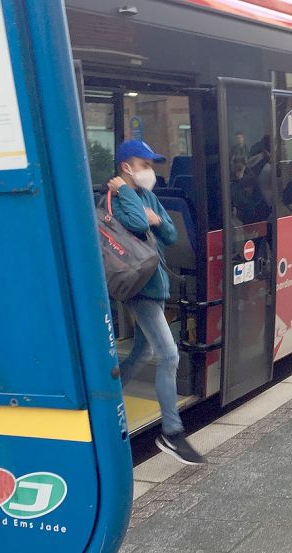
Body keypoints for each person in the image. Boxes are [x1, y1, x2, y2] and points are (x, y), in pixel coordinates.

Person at [106, 140, 205, 466]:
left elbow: (171, 234)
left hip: (156, 282)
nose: (150, 169)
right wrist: (128, 197)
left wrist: (156, 219)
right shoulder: (119, 199)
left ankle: (107, 399)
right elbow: (135, 223)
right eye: (144, 163)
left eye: (151, 163)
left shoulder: (148, 196)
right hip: (139, 286)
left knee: (143, 351)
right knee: (169, 353)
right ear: (125, 167)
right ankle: (172, 433)